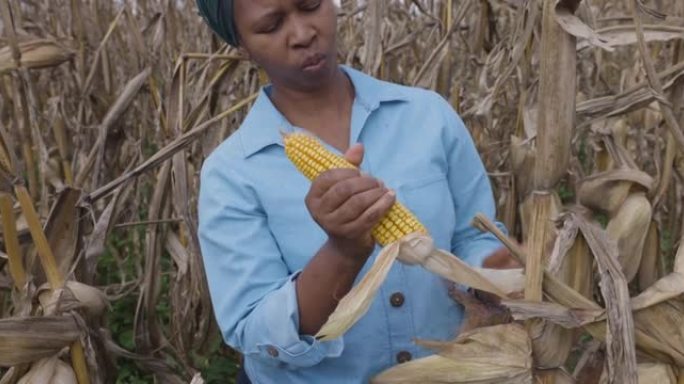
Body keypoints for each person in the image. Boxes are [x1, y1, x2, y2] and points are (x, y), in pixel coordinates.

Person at [195, 1, 518, 383]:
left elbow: (472, 236)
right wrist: (342, 251)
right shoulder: (231, 173)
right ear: (243, 48)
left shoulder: (428, 116)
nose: (302, 34)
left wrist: (501, 276)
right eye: (271, 26)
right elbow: (256, 332)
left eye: (310, 6)